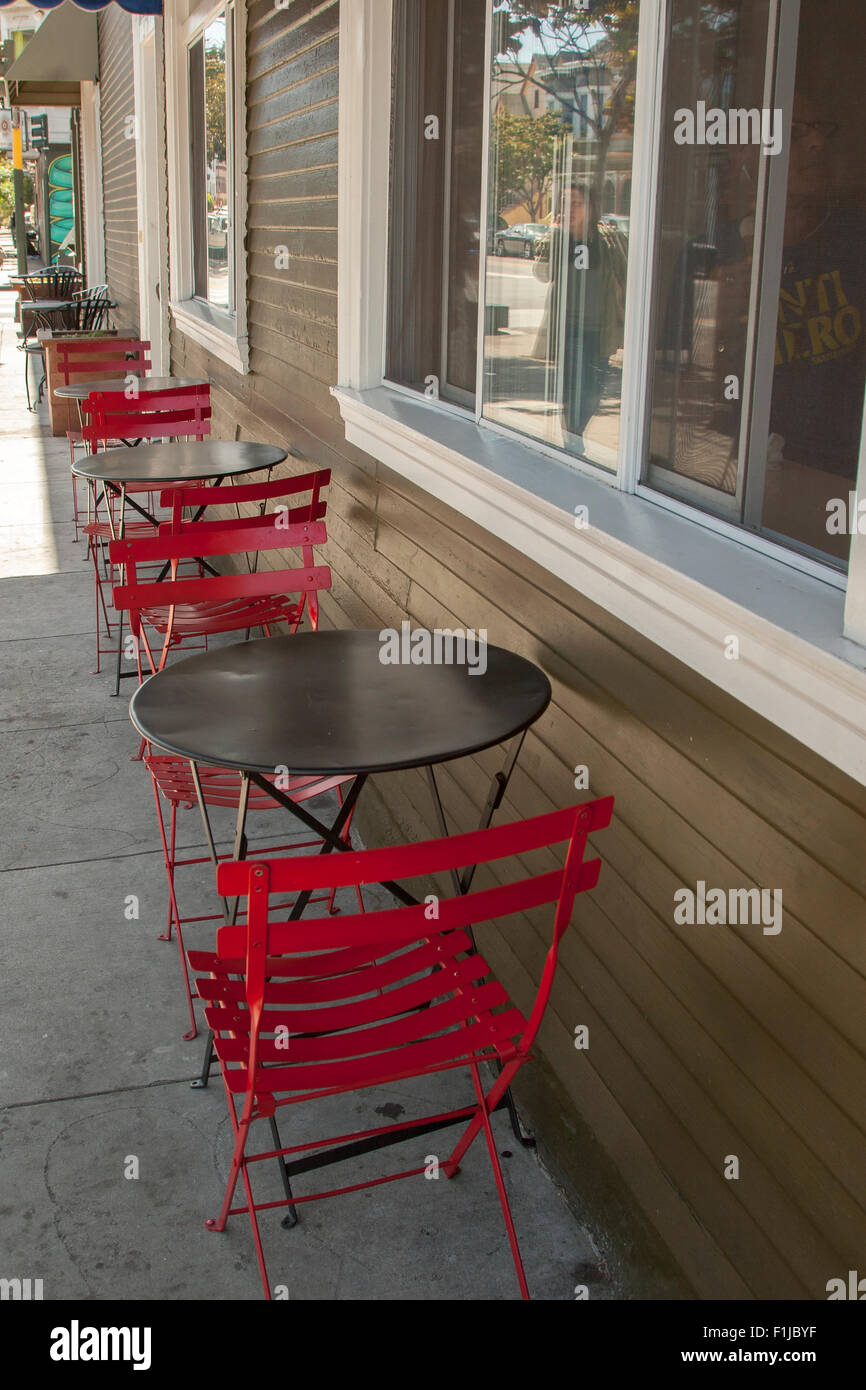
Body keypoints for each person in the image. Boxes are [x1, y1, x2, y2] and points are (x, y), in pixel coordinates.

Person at [532, 178, 628, 441]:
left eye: (577, 203)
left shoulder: (608, 239)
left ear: (591, 208)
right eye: (565, 203)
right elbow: (541, 273)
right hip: (571, 327)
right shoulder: (560, 239)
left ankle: (576, 435)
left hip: (601, 327)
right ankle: (573, 440)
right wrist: (555, 235)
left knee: (594, 389)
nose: (571, 209)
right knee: (575, 387)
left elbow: (626, 275)